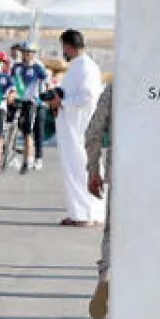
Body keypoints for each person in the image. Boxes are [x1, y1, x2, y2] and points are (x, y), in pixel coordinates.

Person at [48, 29, 105, 227]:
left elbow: (88, 97)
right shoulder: (77, 66)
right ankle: (81, 212)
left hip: (79, 126)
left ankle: (85, 214)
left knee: (80, 167)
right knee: (75, 168)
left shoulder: (85, 67)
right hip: (72, 125)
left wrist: (62, 102)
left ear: (68, 46)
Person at [86, 82, 113, 319]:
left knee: (113, 232)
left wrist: (93, 170)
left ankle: (105, 277)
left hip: (122, 172)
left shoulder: (117, 88)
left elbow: (93, 131)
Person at [10, 42, 50, 174]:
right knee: (14, 127)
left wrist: (42, 98)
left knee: (29, 131)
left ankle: (29, 159)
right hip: (17, 100)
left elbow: (46, 84)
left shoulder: (38, 68)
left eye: (29, 52)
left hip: (31, 102)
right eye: (24, 52)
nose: (26, 55)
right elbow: (11, 83)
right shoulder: (16, 67)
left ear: (33, 54)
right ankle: (12, 155)